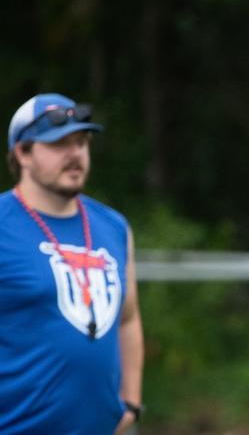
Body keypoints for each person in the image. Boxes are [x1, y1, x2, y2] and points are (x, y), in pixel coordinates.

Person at [0, 93, 144, 434]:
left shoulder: (114, 227)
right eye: (58, 144)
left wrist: (132, 402)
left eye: (81, 142)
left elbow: (128, 318)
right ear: (23, 153)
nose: (74, 154)